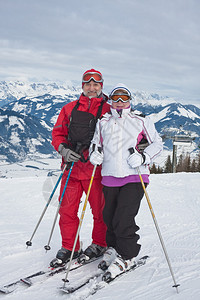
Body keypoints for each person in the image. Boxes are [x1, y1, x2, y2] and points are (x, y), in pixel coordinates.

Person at [89, 84, 163, 279]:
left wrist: (144, 157)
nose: (120, 102)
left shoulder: (140, 121)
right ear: (111, 101)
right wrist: (94, 155)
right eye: (116, 98)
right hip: (110, 176)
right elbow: (96, 145)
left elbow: (158, 143)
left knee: (123, 218)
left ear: (130, 100)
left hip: (135, 176)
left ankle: (128, 255)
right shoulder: (102, 122)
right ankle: (113, 248)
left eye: (124, 98)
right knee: (109, 217)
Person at [50, 69, 110, 267]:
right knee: (67, 210)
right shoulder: (69, 109)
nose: (91, 88)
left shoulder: (109, 110)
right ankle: (71, 247)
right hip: (71, 169)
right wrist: (63, 150)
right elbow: (58, 133)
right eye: (88, 84)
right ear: (82, 86)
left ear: (101, 86)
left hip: (96, 171)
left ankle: (100, 243)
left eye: (95, 85)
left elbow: (122, 135)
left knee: (99, 212)